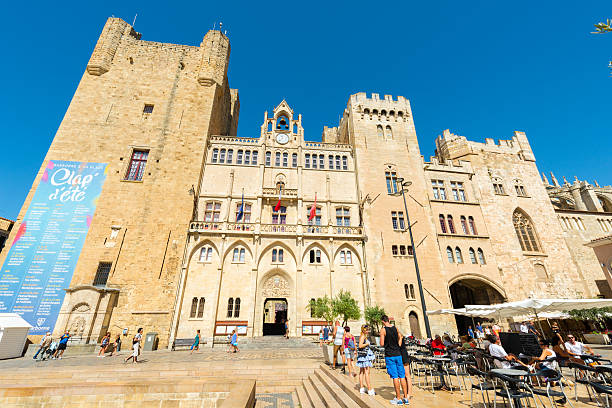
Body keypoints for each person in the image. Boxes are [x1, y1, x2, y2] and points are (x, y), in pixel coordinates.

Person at [380, 315, 409, 405]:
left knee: (395, 377)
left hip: (390, 356)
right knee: (402, 376)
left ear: (382, 321)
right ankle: (405, 398)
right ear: (388, 320)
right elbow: (399, 341)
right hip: (398, 355)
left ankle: (398, 398)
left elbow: (381, 343)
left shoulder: (383, 330)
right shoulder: (395, 328)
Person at [356, 325, 376, 395]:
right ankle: (369, 389)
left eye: (368, 330)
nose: (368, 331)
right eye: (366, 330)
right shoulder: (363, 336)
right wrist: (367, 344)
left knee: (362, 372)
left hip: (363, 356)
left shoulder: (363, 336)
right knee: (367, 372)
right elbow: (360, 346)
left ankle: (362, 388)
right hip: (365, 356)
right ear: (363, 330)